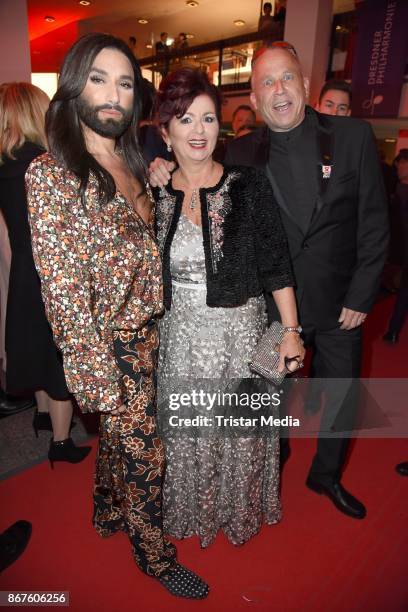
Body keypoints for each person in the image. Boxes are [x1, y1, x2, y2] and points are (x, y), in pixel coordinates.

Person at [149, 42, 389, 520]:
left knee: (341, 398)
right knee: (265, 402)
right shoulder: (238, 150)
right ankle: (267, 469)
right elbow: (198, 172)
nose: (278, 90)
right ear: (254, 100)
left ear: (304, 85)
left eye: (286, 79)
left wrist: (363, 293)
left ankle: (326, 478)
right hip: (269, 309)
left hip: (342, 303)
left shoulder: (353, 137)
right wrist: (165, 167)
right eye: (266, 83)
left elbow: (375, 223)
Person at [26, 33, 208, 599]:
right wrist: (92, 371)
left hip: (155, 332)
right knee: (146, 452)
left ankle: (106, 509)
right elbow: (61, 286)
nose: (113, 94)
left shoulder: (133, 159)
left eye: (125, 83)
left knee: (124, 442)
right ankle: (153, 555)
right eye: (99, 79)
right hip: (109, 345)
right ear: (73, 87)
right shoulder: (51, 174)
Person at [153, 67, 304, 547]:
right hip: (180, 337)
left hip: (239, 334)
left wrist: (291, 330)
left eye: (209, 119)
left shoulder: (248, 185)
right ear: (165, 132)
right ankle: (192, 510)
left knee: (239, 433)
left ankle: (236, 510)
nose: (199, 131)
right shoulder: (153, 193)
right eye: (185, 120)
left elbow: (278, 266)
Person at [0, 82, 89, 464]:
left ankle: (40, 416)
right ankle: (61, 442)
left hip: (22, 269)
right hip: (53, 272)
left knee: (35, 348)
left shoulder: (4, 165)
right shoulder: (47, 166)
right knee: (57, 357)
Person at [383, 149, 408, 344]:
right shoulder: (393, 188)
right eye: (398, 163)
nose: (398, 167)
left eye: (402, 164)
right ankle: (392, 331)